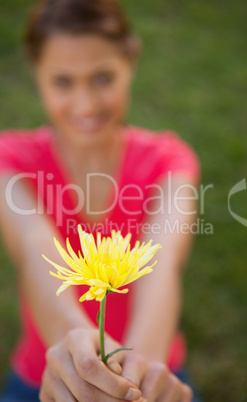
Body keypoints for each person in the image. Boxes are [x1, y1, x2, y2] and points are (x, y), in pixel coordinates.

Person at [0, 0, 201, 400]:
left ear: (131, 64)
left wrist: (138, 372)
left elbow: (158, 266)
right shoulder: (10, 161)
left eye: (103, 77)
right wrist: (73, 346)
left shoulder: (169, 161)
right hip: (49, 374)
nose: (86, 104)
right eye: (63, 81)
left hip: (155, 372)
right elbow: (38, 250)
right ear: (36, 74)